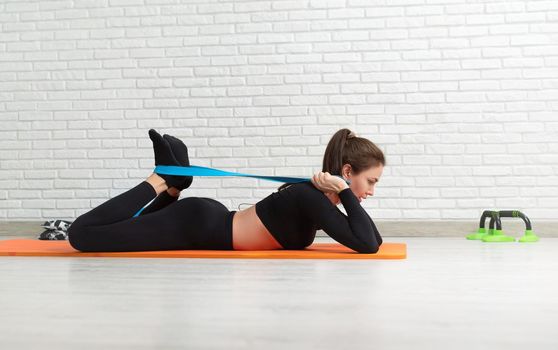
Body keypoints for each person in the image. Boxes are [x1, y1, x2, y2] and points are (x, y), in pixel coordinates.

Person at [68, 128, 384, 254]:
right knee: (82, 235)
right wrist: (343, 190)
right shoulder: (311, 197)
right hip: (197, 226)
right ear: (346, 172)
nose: (370, 191)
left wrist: (345, 191)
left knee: (117, 231)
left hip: (207, 221)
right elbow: (366, 244)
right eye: (370, 181)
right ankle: (159, 180)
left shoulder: (320, 199)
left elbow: (374, 239)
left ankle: (173, 189)